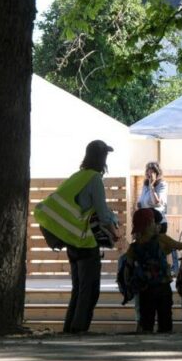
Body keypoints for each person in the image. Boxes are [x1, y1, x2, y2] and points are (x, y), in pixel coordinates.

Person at [64, 140, 120, 334]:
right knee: (90, 288)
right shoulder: (94, 179)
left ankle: (69, 327)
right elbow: (103, 214)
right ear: (102, 158)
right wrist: (114, 231)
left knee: (78, 287)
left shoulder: (76, 176)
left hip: (71, 239)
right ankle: (79, 329)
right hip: (86, 240)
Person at [125, 208, 182, 333]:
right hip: (162, 285)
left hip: (144, 287)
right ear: (151, 223)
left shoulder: (134, 246)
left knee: (147, 318)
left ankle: (146, 338)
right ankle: (165, 338)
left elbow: (128, 267)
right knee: (165, 316)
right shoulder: (161, 239)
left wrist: (128, 284)